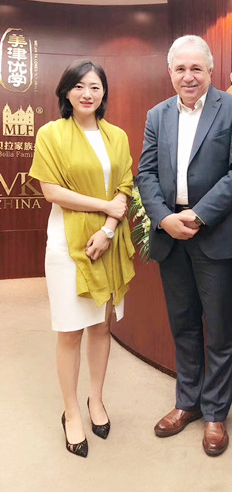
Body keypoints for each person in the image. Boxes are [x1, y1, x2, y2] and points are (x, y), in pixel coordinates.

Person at [136, 35, 232, 456]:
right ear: (170, 72)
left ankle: (216, 414)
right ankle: (187, 402)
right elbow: (146, 174)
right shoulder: (157, 115)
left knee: (218, 330)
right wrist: (164, 218)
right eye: (181, 69)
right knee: (183, 325)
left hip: (215, 234)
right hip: (171, 234)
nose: (189, 76)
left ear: (210, 70)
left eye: (196, 68)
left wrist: (198, 215)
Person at [29, 60, 135, 458]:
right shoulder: (51, 133)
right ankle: (71, 411)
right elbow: (52, 191)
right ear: (66, 92)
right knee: (71, 330)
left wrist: (107, 229)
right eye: (79, 86)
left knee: (101, 327)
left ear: (104, 92)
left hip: (107, 239)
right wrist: (104, 206)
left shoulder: (117, 136)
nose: (87, 93)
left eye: (95, 86)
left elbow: (125, 187)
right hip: (67, 243)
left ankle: (96, 399)